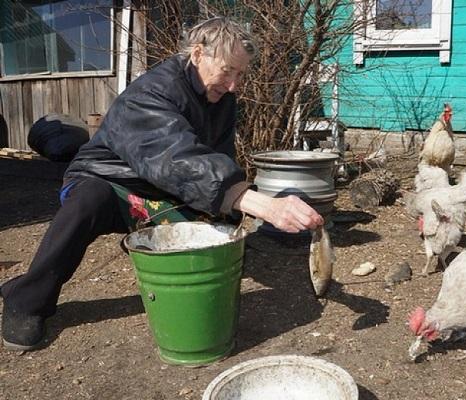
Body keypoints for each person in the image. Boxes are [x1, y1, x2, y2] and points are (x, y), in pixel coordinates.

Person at [1, 17, 323, 352]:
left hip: (164, 190)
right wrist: (263, 205)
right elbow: (174, 156)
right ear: (198, 54)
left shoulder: (222, 99)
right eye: (228, 70)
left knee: (220, 248)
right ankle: (25, 300)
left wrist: (226, 216)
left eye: (241, 74)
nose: (234, 85)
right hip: (109, 178)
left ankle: (170, 239)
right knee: (86, 205)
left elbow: (217, 157)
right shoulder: (153, 90)